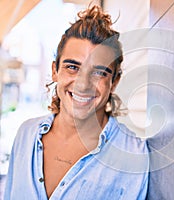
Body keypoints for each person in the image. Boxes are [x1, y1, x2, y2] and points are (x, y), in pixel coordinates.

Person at [4, 5, 149, 200]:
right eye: (72, 67)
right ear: (55, 70)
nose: (83, 84)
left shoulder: (133, 156)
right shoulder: (26, 134)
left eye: (99, 72)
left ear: (114, 81)